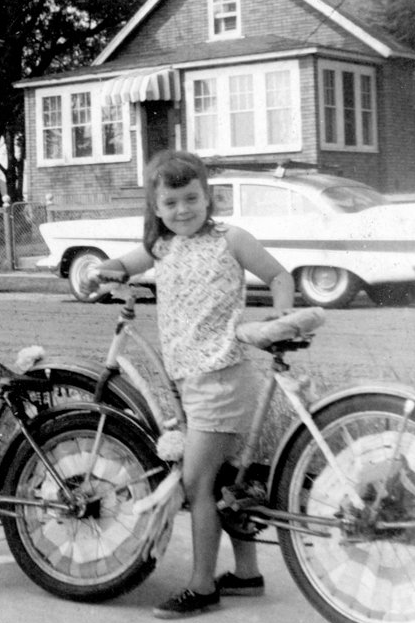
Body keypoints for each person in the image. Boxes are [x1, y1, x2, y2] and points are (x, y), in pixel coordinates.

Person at [88, 150, 295, 620]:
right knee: (226, 478)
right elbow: (123, 262)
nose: (183, 210)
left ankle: (202, 587)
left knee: (197, 482)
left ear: (208, 197)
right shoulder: (162, 246)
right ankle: (246, 575)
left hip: (222, 373)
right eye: (171, 203)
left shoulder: (231, 239)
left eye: (191, 199)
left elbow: (279, 275)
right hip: (194, 377)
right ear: (156, 208)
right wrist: (105, 270)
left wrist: (280, 313)